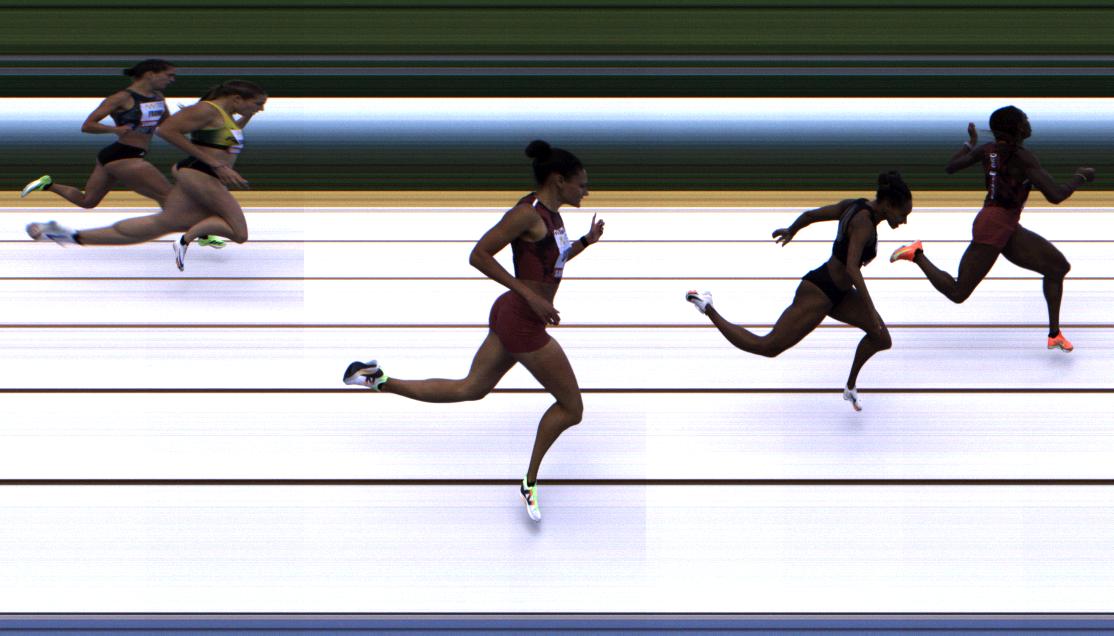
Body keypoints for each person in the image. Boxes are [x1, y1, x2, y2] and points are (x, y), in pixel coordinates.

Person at [342, 140, 604, 522]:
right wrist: (530, 296)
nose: (586, 191)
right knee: (572, 408)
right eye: (582, 184)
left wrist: (585, 242)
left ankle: (378, 379)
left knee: (470, 388)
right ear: (558, 180)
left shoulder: (553, 215)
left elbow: (553, 261)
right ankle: (529, 481)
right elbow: (479, 255)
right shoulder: (526, 214)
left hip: (514, 316)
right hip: (522, 322)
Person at [686, 172, 913, 412]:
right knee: (768, 346)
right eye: (903, 214)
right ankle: (707, 307)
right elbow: (852, 268)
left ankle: (850, 387)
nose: (904, 221)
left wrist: (792, 229)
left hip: (840, 293)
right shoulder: (864, 223)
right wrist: (870, 308)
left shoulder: (855, 205)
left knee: (881, 338)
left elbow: (810, 215)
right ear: (889, 205)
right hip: (820, 291)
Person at [889, 106, 1094, 352]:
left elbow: (951, 166)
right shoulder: (1022, 157)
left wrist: (970, 143)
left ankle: (1054, 334)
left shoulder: (987, 150)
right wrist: (1080, 177)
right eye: (1025, 119)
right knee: (958, 292)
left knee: (1057, 267)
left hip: (1003, 224)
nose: (1029, 123)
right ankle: (916, 254)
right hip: (995, 226)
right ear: (1017, 128)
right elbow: (1056, 195)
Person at [26, 80, 267, 270]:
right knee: (239, 233)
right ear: (237, 98)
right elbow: (166, 130)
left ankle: (66, 235)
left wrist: (247, 116)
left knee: (160, 224)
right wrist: (216, 164)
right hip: (201, 175)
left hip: (199, 173)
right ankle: (186, 239)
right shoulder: (206, 110)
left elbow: (225, 137)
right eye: (257, 104)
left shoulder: (223, 116)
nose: (261, 108)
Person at [21, 59, 177, 207]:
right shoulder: (121, 98)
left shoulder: (158, 97)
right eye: (169, 75)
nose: (172, 80)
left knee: (87, 201)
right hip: (125, 156)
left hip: (114, 155)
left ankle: (47, 184)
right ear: (150, 74)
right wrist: (114, 130)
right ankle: (182, 227)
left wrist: (186, 116)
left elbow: (167, 124)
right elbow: (88, 125)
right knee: (170, 196)